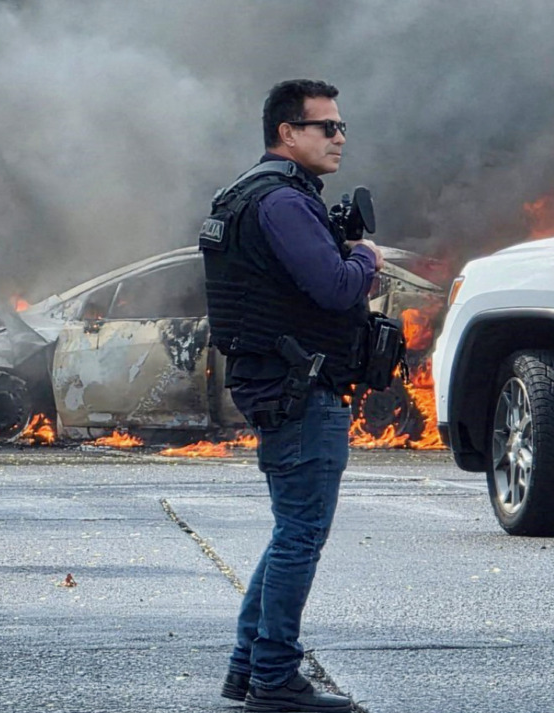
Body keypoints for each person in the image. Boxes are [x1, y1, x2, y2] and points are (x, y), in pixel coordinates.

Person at [198, 79, 383, 713]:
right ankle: (275, 679)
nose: (339, 137)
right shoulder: (281, 202)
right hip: (299, 390)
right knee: (301, 534)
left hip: (281, 384)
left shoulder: (247, 195)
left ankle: (247, 669)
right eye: (325, 126)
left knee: (289, 532)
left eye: (340, 126)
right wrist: (366, 259)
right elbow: (334, 287)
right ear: (287, 133)